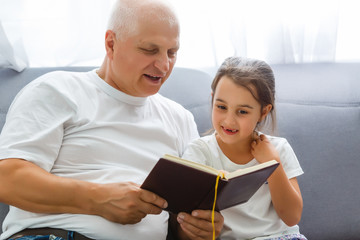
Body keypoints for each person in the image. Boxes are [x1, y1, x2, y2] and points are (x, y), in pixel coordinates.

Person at [0, 0, 224, 239]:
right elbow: (7, 178)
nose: (164, 65)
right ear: (111, 44)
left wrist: (196, 229)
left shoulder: (180, 118)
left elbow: (181, 219)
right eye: (150, 50)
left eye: (172, 52)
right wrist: (98, 199)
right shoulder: (57, 90)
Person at [181, 56, 307, 240]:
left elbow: (292, 216)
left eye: (242, 112)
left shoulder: (279, 148)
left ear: (263, 112)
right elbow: (187, 218)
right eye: (221, 107)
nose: (229, 120)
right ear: (212, 100)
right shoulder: (200, 152)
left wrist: (273, 165)